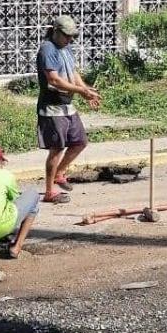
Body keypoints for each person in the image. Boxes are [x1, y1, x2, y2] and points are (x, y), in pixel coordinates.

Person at [36, 15, 101, 204]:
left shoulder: (66, 48)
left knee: (79, 141)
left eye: (73, 36)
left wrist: (85, 90)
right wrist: (81, 91)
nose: (70, 39)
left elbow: (73, 73)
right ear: (56, 31)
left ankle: (60, 173)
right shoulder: (47, 49)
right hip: (52, 107)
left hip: (67, 105)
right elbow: (54, 80)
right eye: (67, 36)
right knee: (57, 149)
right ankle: (49, 191)